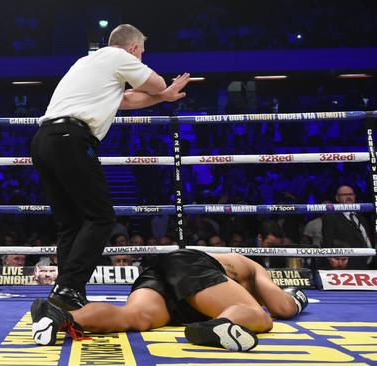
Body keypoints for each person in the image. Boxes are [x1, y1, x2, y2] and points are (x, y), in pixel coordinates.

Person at [30, 23, 191, 311]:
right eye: (141, 52)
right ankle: (69, 286)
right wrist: (163, 91)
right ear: (133, 48)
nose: (140, 58)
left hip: (44, 140)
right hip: (70, 139)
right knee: (101, 217)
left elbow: (126, 100)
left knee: (71, 223)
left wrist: (163, 97)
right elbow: (154, 82)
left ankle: (65, 291)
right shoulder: (119, 57)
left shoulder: (89, 63)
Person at [31, 249, 308, 352]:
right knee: (258, 316)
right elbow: (282, 307)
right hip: (191, 265)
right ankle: (219, 325)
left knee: (135, 317)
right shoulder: (251, 267)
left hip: (161, 274)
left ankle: (62, 317)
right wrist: (297, 299)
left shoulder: (228, 289)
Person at [321, 185, 373, 269]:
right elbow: (328, 241)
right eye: (344, 195)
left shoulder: (361, 216)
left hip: (367, 264)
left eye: (351, 194)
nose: (348, 197)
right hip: (346, 265)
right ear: (337, 198)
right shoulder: (331, 217)